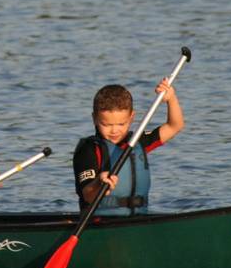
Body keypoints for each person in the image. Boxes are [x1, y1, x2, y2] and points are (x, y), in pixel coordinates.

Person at [72, 78, 184, 216]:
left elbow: (174, 126)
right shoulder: (88, 150)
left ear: (131, 118)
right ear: (94, 118)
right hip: (99, 222)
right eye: (106, 125)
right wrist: (99, 184)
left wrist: (171, 98)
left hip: (138, 218)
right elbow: (87, 194)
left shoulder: (136, 141)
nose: (114, 131)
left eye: (121, 124)